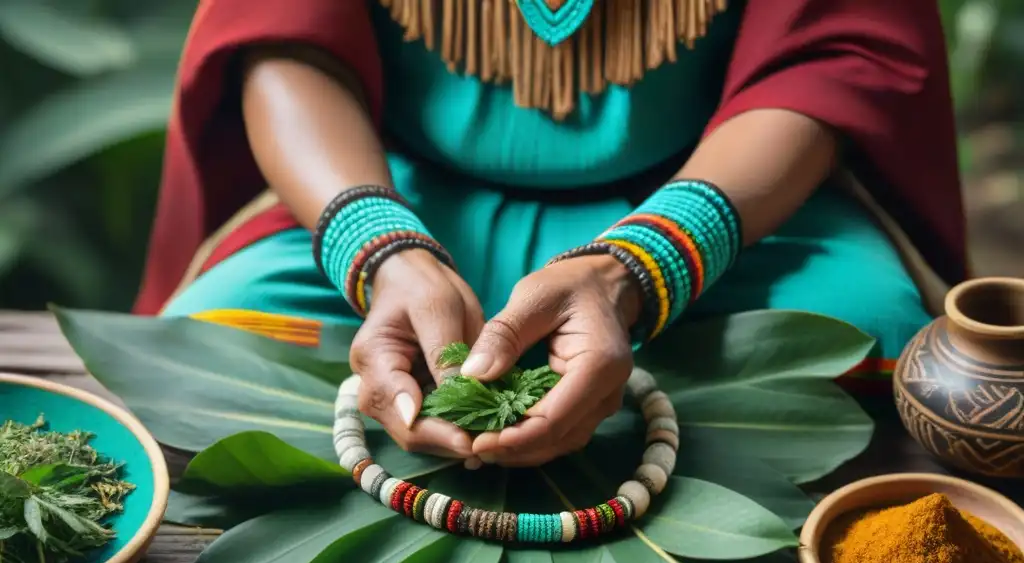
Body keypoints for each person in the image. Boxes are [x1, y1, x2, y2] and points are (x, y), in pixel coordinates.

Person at [136, 0, 967, 468]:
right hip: (395, 193)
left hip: (718, 199)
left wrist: (640, 267)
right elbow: (281, 41)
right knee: (211, 340)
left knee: (876, 342)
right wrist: (381, 251)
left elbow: (829, 57)